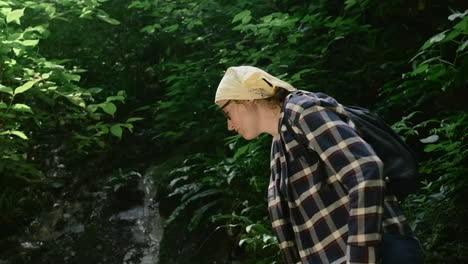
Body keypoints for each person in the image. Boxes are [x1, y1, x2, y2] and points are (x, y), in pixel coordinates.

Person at [214, 66, 423, 264]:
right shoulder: (279, 146)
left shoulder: (301, 109)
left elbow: (364, 171)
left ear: (247, 99)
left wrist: (360, 257)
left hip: (379, 253)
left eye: (226, 113)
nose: (229, 125)